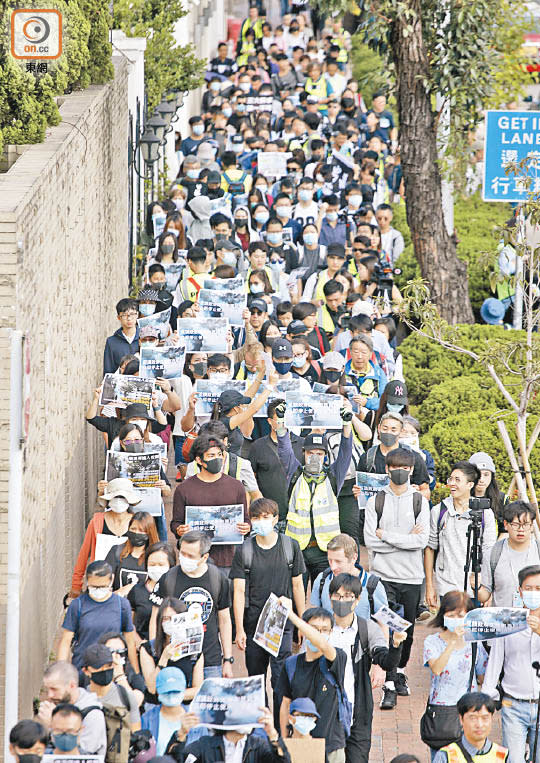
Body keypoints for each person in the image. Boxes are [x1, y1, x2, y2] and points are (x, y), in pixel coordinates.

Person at [364, 447, 430, 709]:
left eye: (404, 468)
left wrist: (387, 537)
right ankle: (389, 682)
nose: (399, 472)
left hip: (411, 577)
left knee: (408, 630)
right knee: (389, 627)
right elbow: (370, 541)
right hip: (382, 577)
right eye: (394, 467)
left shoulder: (419, 502)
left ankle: (400, 670)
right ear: (387, 469)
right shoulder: (375, 501)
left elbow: (421, 541)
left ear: (411, 470)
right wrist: (405, 540)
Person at [231, 498, 306, 723]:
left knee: (281, 678)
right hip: (254, 624)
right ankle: (261, 727)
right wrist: (240, 629)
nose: (261, 522)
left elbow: (298, 586)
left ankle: (280, 726)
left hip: (281, 623)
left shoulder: (289, 546)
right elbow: (238, 591)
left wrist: (301, 622)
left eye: (266, 517)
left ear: (275, 519)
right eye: (256, 517)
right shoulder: (245, 550)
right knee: (255, 678)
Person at [328, 573, 406, 763]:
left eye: (347, 596)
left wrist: (396, 645)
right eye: (337, 596)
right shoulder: (322, 627)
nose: (342, 601)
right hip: (328, 711)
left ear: (357, 600)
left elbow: (385, 660)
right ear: (330, 599)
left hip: (358, 710)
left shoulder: (367, 629)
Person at [276, 403, 353, 582]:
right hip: (298, 550)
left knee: (325, 597)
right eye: (311, 452)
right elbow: (284, 448)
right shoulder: (294, 472)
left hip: (325, 551)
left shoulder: (334, 476)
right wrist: (281, 421)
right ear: (303, 453)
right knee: (295, 597)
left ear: (325, 456)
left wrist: (347, 424)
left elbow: (345, 453)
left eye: (319, 453)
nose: (314, 457)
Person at [149, 530, 233, 679]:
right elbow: (155, 617)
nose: (184, 559)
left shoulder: (218, 579)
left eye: (190, 556)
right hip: (176, 658)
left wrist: (227, 659)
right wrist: (156, 653)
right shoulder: (168, 578)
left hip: (210, 660)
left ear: (204, 557)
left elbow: (224, 619)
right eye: (182, 553)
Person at [277, 603, 349, 763]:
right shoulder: (291, 664)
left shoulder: (337, 657)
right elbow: (285, 704)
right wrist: (283, 739)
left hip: (331, 745)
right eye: (314, 629)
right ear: (303, 631)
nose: (319, 634)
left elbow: (322, 644)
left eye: (325, 630)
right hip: (300, 745)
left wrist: (291, 614)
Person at [482, 564, 540, 762]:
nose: (534, 593)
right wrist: (487, 697)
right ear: (520, 591)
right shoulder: (508, 620)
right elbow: (495, 661)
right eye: (529, 588)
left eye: (539, 589)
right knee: (513, 759)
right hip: (514, 704)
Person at [423, 591, 488, 760]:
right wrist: (452, 642)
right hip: (442, 711)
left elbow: (482, 676)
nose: (455, 618)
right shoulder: (432, 641)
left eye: (460, 615)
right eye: (450, 614)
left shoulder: (474, 642)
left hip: (468, 710)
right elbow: (436, 669)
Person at [171, 434, 250, 571]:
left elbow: (246, 520)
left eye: (220, 454)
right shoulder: (184, 489)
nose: (217, 459)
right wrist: (179, 529)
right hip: (196, 559)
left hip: (227, 560)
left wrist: (246, 527)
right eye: (211, 456)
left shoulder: (236, 486)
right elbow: (176, 523)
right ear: (199, 460)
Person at [425, 461, 497, 608]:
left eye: (457, 480)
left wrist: (488, 589)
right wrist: (430, 586)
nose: (452, 483)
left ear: (470, 485)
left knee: (472, 630)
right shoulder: (439, 511)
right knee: (449, 628)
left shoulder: (485, 514)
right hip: (446, 587)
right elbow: (430, 548)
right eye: (450, 479)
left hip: (475, 587)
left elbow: (489, 552)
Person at [59, 560, 139, 674]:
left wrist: (135, 673)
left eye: (102, 586)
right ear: (87, 582)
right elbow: (66, 640)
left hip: (111, 669)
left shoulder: (122, 605)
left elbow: (130, 642)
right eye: (94, 587)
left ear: (111, 580)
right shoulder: (78, 605)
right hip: (83, 668)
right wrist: (61, 671)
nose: (98, 590)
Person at [69, 478, 142, 598]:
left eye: (122, 498)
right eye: (115, 497)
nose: (119, 501)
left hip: (127, 583)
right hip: (99, 582)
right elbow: (84, 554)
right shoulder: (97, 522)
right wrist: (76, 585)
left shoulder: (137, 523)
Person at [248, 398, 304, 523]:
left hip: (298, 514)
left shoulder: (302, 444)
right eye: (279, 418)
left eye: (286, 418)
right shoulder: (258, 446)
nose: (283, 422)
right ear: (269, 421)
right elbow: (251, 479)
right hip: (268, 514)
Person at [311, 533, 388, 623]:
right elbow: (314, 615)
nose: (333, 567)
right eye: (330, 560)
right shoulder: (322, 579)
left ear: (354, 558)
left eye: (338, 561)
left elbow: (384, 623)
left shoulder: (373, 586)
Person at [35, 661, 107, 757]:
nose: (50, 695)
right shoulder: (55, 706)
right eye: (47, 689)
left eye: (54, 689)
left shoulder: (93, 715)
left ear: (72, 685)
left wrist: (53, 725)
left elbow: (81, 756)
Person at [140, 597, 204, 703]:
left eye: (174, 618)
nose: (170, 622)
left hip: (183, 705)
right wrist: (163, 659)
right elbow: (151, 688)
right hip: (156, 705)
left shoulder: (195, 652)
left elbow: (197, 688)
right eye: (166, 618)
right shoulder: (148, 649)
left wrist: (174, 696)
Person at [355, 412, 431, 500]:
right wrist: (358, 494)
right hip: (376, 511)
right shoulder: (368, 457)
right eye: (385, 429)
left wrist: (415, 493)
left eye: (393, 430)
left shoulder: (413, 457)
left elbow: (426, 493)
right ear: (379, 428)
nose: (388, 433)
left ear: (401, 431)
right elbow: (360, 492)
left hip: (405, 510)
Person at [181, 707, 291, 762]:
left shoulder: (258, 746)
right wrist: (181, 734)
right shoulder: (205, 745)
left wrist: (272, 735)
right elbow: (178, 759)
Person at [142, 667, 203, 755]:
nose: (171, 696)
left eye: (176, 691)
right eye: (166, 692)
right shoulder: (147, 719)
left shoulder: (195, 718)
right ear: (158, 691)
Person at [433, 692, 508, 763]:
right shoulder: (446, 756)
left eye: (485, 718)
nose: (479, 725)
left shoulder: (503, 756)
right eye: (473, 718)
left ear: (492, 719)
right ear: (461, 719)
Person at [128, 541, 176, 641]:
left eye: (161, 564)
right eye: (152, 564)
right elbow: (129, 624)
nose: (156, 568)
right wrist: (141, 645)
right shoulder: (136, 591)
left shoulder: (177, 590)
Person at [105, 511, 159, 593]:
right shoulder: (116, 551)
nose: (136, 533)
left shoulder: (155, 557)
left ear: (149, 533)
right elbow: (106, 582)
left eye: (141, 530)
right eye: (133, 529)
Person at [469, 451, 505, 532]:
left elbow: (505, 531)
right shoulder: (461, 498)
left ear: (492, 476)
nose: (481, 480)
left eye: (486, 475)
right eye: (478, 475)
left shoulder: (501, 499)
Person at [103, 298, 140, 374]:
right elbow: (108, 371)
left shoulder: (146, 339)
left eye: (132, 314)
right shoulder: (112, 342)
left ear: (137, 315)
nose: (129, 318)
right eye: (124, 315)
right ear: (119, 318)